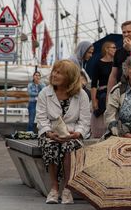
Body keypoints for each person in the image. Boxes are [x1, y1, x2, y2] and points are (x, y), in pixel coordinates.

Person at [36, 59, 91, 204]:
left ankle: (67, 189)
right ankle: (54, 189)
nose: (54, 75)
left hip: (73, 134)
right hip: (50, 133)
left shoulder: (82, 95)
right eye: (54, 71)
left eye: (59, 73)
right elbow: (41, 118)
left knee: (69, 147)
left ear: (70, 76)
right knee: (51, 146)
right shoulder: (44, 93)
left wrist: (78, 133)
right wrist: (48, 132)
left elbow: (85, 120)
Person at [90, 41, 116, 137]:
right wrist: (93, 101)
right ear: (106, 49)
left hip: (114, 91)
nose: (115, 49)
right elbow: (93, 84)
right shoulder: (98, 63)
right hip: (102, 92)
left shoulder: (116, 64)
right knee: (102, 101)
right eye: (113, 47)